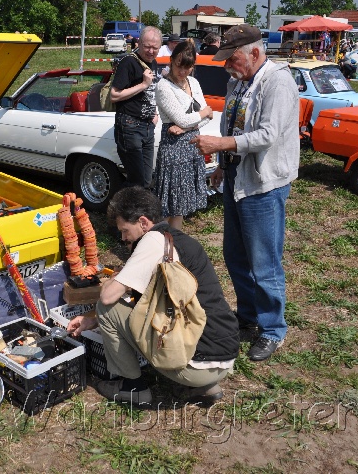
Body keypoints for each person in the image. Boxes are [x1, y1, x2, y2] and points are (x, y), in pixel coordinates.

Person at [67, 186, 239, 404]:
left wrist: (116, 277)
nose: (123, 238)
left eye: (125, 230)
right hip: (222, 355)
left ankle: (133, 388)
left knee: (107, 309)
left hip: (196, 363)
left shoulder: (153, 241)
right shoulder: (179, 240)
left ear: (143, 222)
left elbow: (108, 297)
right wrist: (92, 321)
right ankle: (205, 386)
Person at [188, 24, 299, 362]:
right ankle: (249, 316)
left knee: (264, 260)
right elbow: (232, 124)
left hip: (264, 182)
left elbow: (266, 134)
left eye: (232, 58)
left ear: (254, 53)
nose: (227, 65)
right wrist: (223, 162)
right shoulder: (238, 81)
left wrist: (223, 144)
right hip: (236, 177)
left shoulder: (278, 82)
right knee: (236, 255)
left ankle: (272, 329)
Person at [153, 39, 214, 230]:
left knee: (181, 207)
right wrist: (200, 115)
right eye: (179, 66)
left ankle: (170, 248)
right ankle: (162, 247)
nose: (182, 71)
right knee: (171, 207)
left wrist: (187, 127)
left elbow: (208, 117)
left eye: (188, 67)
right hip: (173, 148)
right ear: (171, 61)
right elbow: (193, 116)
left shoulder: (193, 82)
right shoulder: (163, 86)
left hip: (191, 145)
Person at [110, 26, 162, 189]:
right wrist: (143, 84)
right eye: (147, 46)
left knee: (146, 180)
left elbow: (152, 93)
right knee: (136, 180)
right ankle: (120, 210)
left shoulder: (153, 64)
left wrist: (155, 113)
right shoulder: (129, 62)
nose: (151, 51)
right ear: (139, 43)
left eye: (155, 48)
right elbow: (114, 95)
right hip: (130, 126)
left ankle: (137, 212)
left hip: (147, 126)